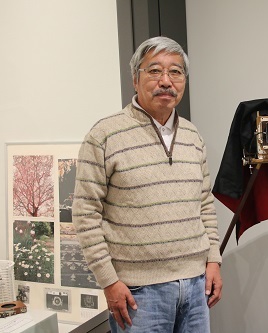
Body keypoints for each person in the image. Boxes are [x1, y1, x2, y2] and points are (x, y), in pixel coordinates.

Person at [72, 36, 222, 333]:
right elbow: (85, 213)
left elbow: (204, 203)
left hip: (195, 287)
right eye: (154, 71)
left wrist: (214, 260)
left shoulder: (193, 136)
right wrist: (109, 281)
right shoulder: (105, 134)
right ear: (135, 79)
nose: (166, 81)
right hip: (138, 292)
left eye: (176, 72)